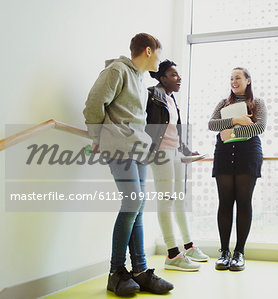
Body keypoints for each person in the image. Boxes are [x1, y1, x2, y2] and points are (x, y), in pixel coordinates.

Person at [83, 33, 173, 296]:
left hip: (138, 148)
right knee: (132, 203)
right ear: (148, 51)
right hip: (119, 147)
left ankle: (140, 271)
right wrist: (97, 136)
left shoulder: (139, 77)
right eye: (158, 52)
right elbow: (93, 105)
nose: (160, 58)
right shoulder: (116, 70)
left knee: (139, 207)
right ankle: (116, 272)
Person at [146, 60, 209, 271]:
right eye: (173, 75)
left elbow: (173, 131)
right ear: (162, 78)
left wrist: (186, 150)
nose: (179, 78)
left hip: (175, 153)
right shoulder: (152, 95)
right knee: (166, 201)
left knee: (179, 200)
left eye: (178, 75)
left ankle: (188, 246)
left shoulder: (172, 99)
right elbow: (147, 127)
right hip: (161, 153)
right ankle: (172, 254)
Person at [208, 67, 267, 271]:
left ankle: (239, 252)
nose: (234, 81)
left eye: (238, 77)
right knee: (225, 202)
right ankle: (224, 252)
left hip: (248, 154)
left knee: (243, 202)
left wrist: (230, 133)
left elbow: (259, 127)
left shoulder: (257, 103)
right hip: (224, 155)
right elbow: (212, 125)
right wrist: (237, 120)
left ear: (248, 80)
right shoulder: (223, 103)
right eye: (231, 78)